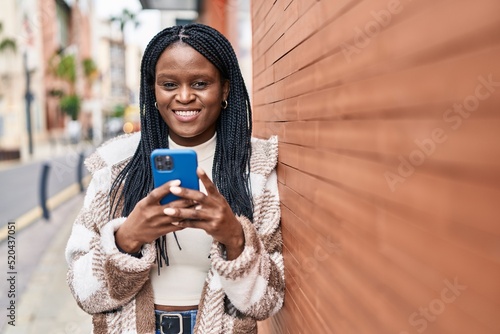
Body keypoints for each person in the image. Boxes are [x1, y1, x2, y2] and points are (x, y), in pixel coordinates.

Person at [65, 23, 284, 334]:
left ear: (224, 88)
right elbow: (84, 293)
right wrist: (127, 239)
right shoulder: (116, 165)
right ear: (153, 90)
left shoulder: (256, 168)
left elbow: (268, 304)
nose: (184, 97)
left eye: (200, 83)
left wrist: (235, 238)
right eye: (169, 84)